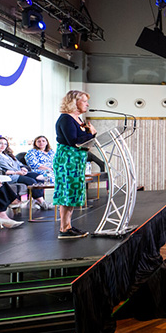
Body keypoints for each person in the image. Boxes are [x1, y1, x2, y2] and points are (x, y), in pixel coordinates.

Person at [54, 90, 96, 239]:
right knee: (67, 193)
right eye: (84, 101)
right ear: (74, 102)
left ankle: (68, 226)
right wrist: (91, 133)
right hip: (67, 160)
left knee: (72, 194)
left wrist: (91, 134)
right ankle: (64, 229)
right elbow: (74, 141)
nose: (87, 104)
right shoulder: (66, 118)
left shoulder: (77, 119)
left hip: (76, 160)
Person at [0, 136, 51, 210]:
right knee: (31, 181)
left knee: (40, 177)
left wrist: (23, 168)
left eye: (5, 144)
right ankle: (41, 202)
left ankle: (37, 200)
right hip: (9, 176)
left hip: (18, 173)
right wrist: (16, 172)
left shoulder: (7, 155)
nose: (3, 145)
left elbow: (19, 164)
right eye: (0, 143)